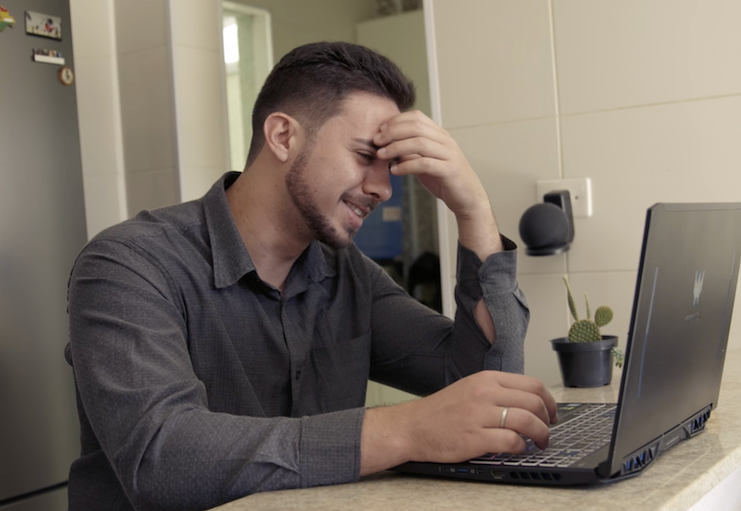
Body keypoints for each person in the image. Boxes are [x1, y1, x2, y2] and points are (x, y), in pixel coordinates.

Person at [65, 42, 558, 511]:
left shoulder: (345, 274)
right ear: (283, 136)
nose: (384, 189)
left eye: (390, 168)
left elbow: (483, 384)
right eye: (366, 157)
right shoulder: (128, 264)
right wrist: (405, 430)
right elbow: (161, 457)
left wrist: (472, 210)